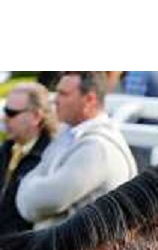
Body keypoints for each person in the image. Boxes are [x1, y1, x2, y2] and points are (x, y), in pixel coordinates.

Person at [15, 72, 137, 229]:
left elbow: (39, 203)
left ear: (89, 100)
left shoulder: (97, 148)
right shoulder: (69, 133)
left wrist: (28, 190)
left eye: (63, 94)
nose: (55, 100)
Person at [0, 82, 57, 235]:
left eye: (11, 113)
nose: (4, 118)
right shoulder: (6, 149)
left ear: (36, 117)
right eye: (5, 111)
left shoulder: (51, 157)